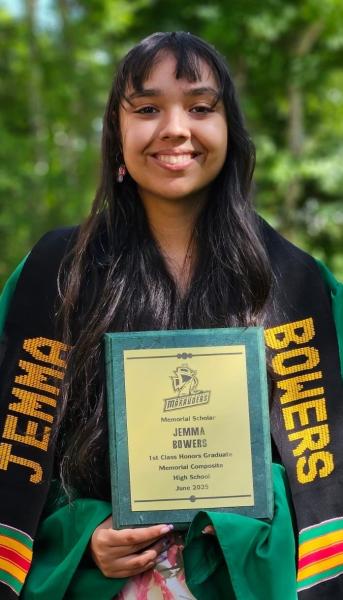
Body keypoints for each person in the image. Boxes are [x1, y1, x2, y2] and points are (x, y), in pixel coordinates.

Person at [0, 31, 342, 600]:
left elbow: (326, 483)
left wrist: (245, 520)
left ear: (229, 129)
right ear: (117, 133)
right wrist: (83, 538)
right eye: (149, 108)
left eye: (201, 107)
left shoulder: (296, 285)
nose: (176, 129)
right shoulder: (54, 276)